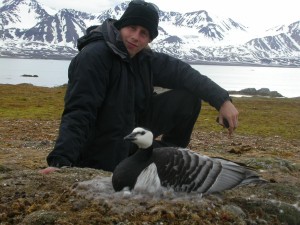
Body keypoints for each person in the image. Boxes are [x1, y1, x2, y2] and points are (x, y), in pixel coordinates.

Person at [40, 0, 238, 174]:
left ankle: (167, 155)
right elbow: (79, 111)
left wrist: (222, 100)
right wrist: (61, 161)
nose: (136, 37)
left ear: (149, 40)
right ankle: (133, 161)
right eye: (132, 28)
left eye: (144, 33)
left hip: (129, 137)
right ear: (120, 27)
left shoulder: (144, 59)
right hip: (100, 151)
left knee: (188, 99)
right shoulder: (94, 56)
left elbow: (185, 74)